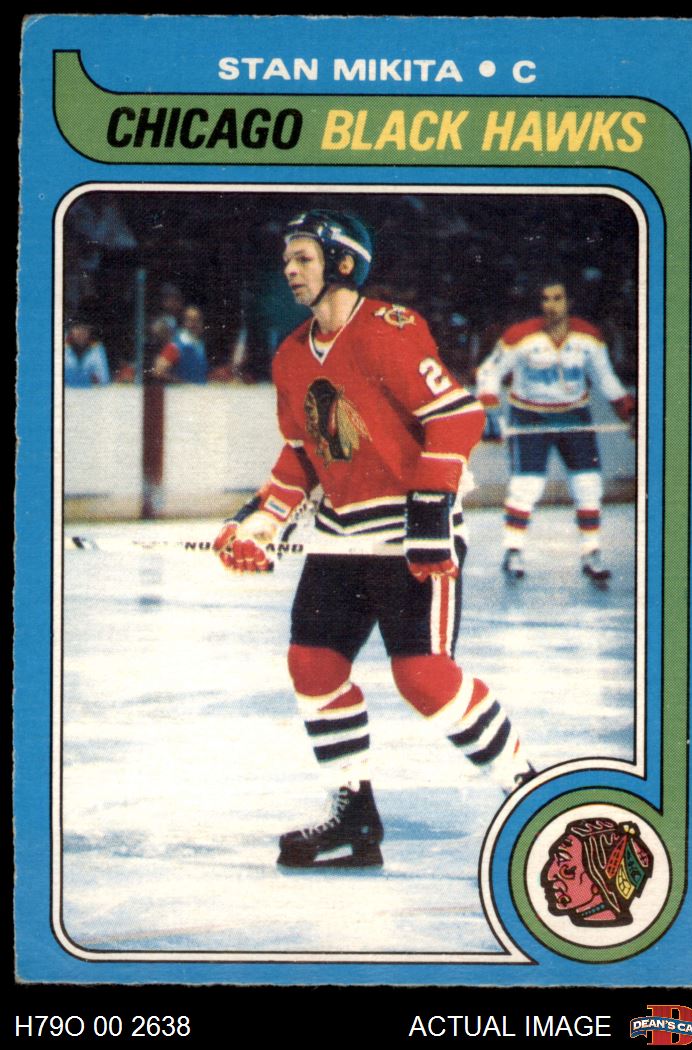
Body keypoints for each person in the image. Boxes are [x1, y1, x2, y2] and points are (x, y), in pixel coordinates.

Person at [213, 209, 536, 869]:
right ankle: (355, 818)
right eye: (287, 260)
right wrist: (260, 522)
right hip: (340, 534)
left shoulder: (389, 329)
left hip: (409, 530)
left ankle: (532, 796)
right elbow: (302, 455)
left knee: (423, 677)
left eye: (302, 258)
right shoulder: (290, 354)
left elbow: (456, 416)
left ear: (342, 262)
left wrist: (429, 513)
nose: (289, 270)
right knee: (313, 665)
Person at [475, 279, 636, 583]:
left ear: (569, 302)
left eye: (557, 298)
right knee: (527, 487)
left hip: (575, 416)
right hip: (530, 417)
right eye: (545, 299)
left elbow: (606, 379)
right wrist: (490, 411)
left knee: (588, 485)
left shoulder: (589, 337)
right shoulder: (519, 336)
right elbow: (489, 372)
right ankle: (513, 551)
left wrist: (630, 412)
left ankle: (591, 552)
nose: (551, 305)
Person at [151, 305, 208, 384]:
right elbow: (158, 372)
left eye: (197, 320)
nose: (194, 324)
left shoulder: (199, 344)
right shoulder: (177, 345)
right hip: (182, 391)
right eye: (190, 320)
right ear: (184, 322)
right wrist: (182, 383)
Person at [63, 321, 111, 387]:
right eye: (77, 328)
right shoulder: (63, 348)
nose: (81, 332)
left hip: (90, 391)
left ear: (89, 331)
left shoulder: (97, 349)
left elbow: (104, 379)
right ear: (71, 331)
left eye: (84, 329)